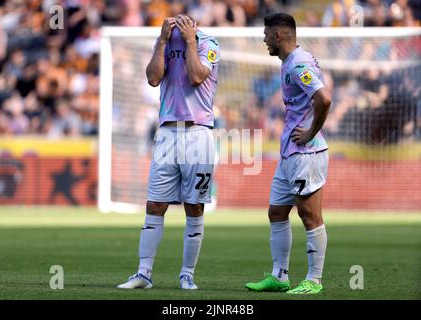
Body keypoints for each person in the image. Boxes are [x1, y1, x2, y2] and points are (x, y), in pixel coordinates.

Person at [117, 14, 220, 290]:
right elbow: (153, 78)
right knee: (154, 204)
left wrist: (188, 41)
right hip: (166, 133)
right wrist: (162, 40)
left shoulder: (209, 43)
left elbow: (197, 76)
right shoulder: (163, 41)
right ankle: (143, 273)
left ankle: (187, 274)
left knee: (194, 206)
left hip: (198, 132)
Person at [245, 13, 331, 294]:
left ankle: (314, 281)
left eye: (266, 35)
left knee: (309, 215)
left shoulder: (299, 64)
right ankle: (279, 276)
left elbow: (324, 98)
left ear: (278, 36)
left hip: (306, 152)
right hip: (289, 154)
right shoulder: (290, 63)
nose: (264, 39)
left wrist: (310, 132)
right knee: (277, 212)